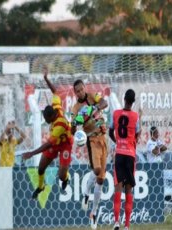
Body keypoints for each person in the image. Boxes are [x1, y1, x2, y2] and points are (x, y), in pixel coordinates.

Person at [22, 67, 73, 199]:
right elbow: (55, 91)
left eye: (46, 120)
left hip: (65, 144)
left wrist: (31, 153)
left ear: (51, 118)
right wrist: (46, 79)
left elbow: (47, 144)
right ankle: (40, 186)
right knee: (41, 168)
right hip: (55, 143)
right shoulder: (56, 107)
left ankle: (67, 177)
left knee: (61, 176)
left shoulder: (59, 125)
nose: (46, 122)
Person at [71, 79, 108, 229]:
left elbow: (104, 103)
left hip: (103, 138)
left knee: (100, 180)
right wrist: (76, 123)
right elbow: (73, 127)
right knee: (97, 170)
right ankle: (86, 192)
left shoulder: (93, 96)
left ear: (84, 88)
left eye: (81, 89)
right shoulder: (75, 108)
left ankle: (93, 214)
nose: (80, 92)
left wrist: (94, 108)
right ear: (75, 93)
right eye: (77, 91)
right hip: (91, 139)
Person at [109, 89, 141, 230]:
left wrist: (117, 142)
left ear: (124, 99)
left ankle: (116, 222)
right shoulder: (135, 116)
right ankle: (127, 225)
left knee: (118, 188)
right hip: (130, 155)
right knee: (129, 190)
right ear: (133, 101)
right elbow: (137, 134)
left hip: (119, 154)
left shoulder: (115, 114)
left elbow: (110, 131)